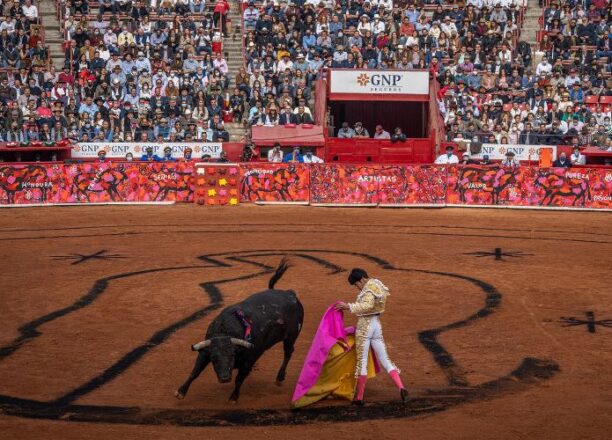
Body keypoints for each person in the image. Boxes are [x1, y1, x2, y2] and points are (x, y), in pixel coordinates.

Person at [335, 269, 408, 405]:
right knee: (385, 360)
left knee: (361, 361)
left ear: (361, 279)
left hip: (365, 326)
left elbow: (367, 305)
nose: (357, 287)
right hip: (376, 325)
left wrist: (348, 306)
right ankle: (401, 387)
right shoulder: (377, 283)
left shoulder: (368, 289)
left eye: (356, 284)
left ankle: (360, 397)